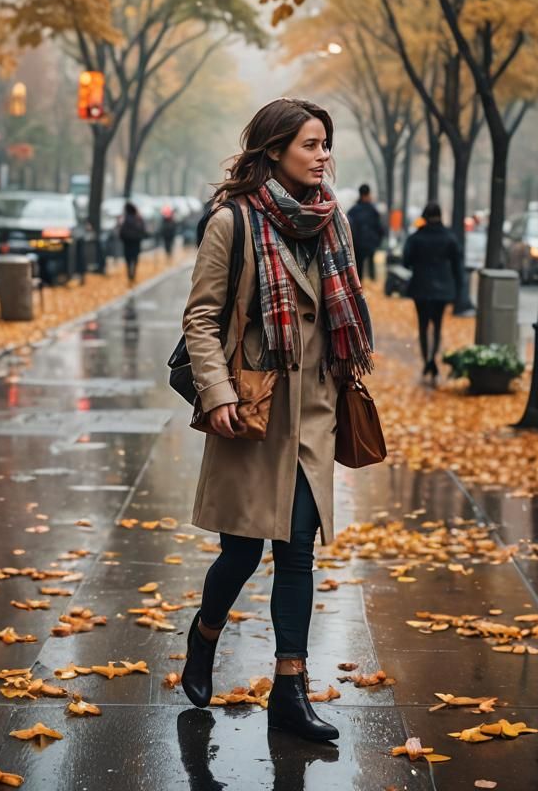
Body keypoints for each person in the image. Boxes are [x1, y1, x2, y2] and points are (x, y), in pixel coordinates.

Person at [180, 97, 374, 742]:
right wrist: (217, 394)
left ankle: (289, 692)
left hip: (313, 411)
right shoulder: (232, 223)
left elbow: (342, 310)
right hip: (254, 412)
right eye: (310, 144)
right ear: (274, 152)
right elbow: (202, 320)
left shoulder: (330, 221)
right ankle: (205, 634)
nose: (323, 156)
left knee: (296, 552)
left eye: (326, 144)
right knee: (239, 552)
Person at [402, 203, 462, 384]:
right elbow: (457, 265)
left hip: (420, 287)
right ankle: (433, 358)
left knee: (422, 324)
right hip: (442, 289)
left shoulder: (416, 238)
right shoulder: (450, 237)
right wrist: (458, 291)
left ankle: (425, 358)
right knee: (437, 325)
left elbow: (406, 261)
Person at [347, 184, 384, 282]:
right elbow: (380, 228)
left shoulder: (353, 211)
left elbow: (349, 227)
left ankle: (360, 286)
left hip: (358, 245)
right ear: (368, 194)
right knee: (371, 267)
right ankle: (372, 281)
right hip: (371, 244)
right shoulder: (373, 210)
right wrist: (378, 241)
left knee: (359, 269)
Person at [118, 202, 147, 284]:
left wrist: (123, 239)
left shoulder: (124, 219)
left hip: (127, 243)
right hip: (136, 242)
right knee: (135, 258)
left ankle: (129, 273)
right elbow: (143, 230)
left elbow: (121, 232)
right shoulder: (138, 218)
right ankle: (133, 272)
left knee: (128, 258)